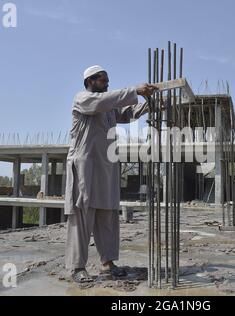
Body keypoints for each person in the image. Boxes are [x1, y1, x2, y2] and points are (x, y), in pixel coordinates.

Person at [64, 65, 158, 283]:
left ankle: (108, 262)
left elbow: (126, 113)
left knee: (107, 216)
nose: (107, 83)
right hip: (85, 167)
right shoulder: (83, 99)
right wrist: (135, 90)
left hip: (105, 168)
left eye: (108, 80)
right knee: (82, 215)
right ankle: (77, 267)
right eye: (102, 80)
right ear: (90, 81)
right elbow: (104, 102)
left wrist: (149, 106)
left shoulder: (108, 107)